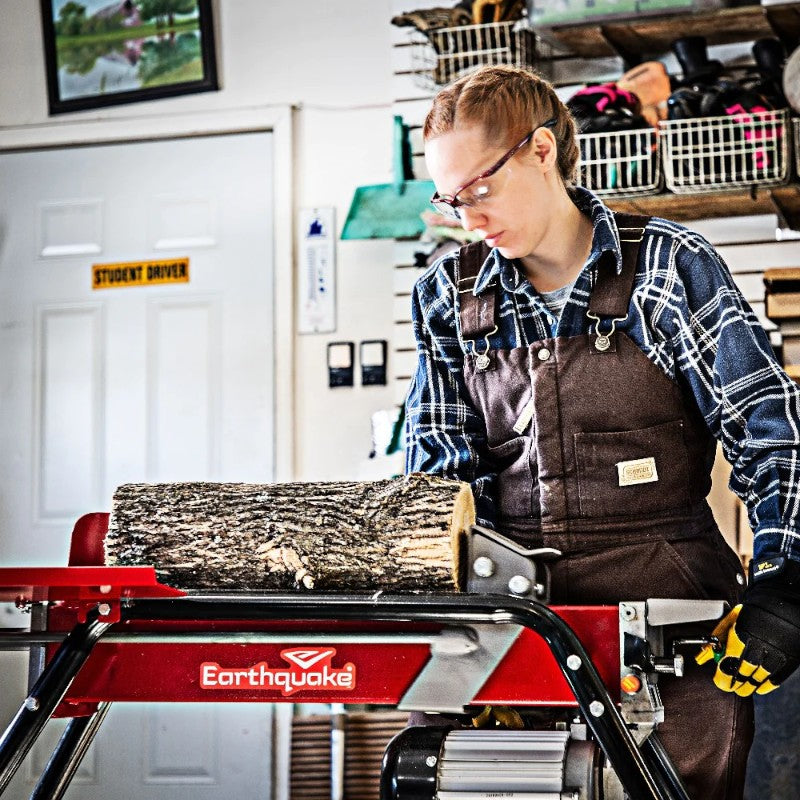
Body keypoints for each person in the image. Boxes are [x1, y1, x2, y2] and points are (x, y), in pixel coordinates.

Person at [404, 63, 800, 800]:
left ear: (542, 151)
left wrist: (790, 579)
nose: (469, 221)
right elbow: (439, 477)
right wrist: (458, 622)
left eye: (480, 190)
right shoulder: (447, 296)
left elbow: (769, 432)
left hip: (672, 630)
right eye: (449, 200)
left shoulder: (668, 268)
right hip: (513, 623)